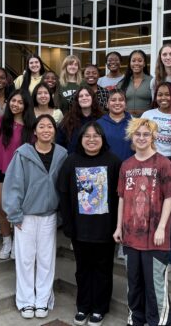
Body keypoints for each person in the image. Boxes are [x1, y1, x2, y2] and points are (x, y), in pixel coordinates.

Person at [113, 118, 171, 326]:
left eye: (146, 134)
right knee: (134, 283)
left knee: (155, 285)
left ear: (153, 137)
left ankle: (157, 321)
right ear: (132, 137)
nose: (141, 138)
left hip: (155, 239)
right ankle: (136, 318)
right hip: (131, 236)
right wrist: (118, 227)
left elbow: (170, 197)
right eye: (138, 134)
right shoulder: (126, 165)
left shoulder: (163, 163)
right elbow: (122, 198)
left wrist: (161, 228)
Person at [3, 115, 68, 320]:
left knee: (46, 260)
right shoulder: (23, 154)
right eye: (42, 126)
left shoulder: (62, 154)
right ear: (35, 131)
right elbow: (13, 185)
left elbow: (64, 186)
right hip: (26, 216)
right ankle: (25, 301)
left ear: (54, 131)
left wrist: (61, 214)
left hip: (49, 215)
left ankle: (42, 300)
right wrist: (14, 214)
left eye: (50, 126)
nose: (46, 130)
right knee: (25, 260)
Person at [58, 122, 122, 326]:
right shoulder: (71, 162)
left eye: (96, 136)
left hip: (105, 229)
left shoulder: (113, 161)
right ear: (80, 139)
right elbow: (64, 194)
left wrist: (118, 226)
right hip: (80, 229)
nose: (92, 139)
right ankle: (83, 306)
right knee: (82, 269)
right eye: (87, 136)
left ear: (102, 139)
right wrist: (68, 224)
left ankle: (99, 308)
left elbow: (120, 197)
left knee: (103, 270)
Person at [141, 82, 171, 268]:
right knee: (147, 212)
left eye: (167, 95)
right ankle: (148, 251)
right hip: (150, 165)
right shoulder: (148, 115)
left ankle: (169, 258)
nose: (163, 98)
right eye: (160, 95)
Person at [0, 92, 35, 260]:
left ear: (26, 106)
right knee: (2, 209)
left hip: (21, 173)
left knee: (19, 210)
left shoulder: (31, 127)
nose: (15, 104)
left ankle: (18, 243)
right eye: (13, 101)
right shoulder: (0, 123)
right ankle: (6, 242)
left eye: (20, 102)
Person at [58, 87, 103, 153]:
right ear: (77, 100)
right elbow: (60, 144)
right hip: (73, 160)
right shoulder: (68, 120)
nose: (84, 98)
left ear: (93, 98)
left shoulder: (101, 119)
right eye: (81, 96)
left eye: (87, 95)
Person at [97, 90, 134, 161]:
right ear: (107, 104)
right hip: (107, 167)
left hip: (130, 167)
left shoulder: (135, 123)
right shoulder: (98, 124)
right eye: (113, 100)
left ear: (126, 104)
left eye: (121, 100)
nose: (117, 103)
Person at [120, 49, 153, 117]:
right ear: (130, 63)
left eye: (140, 61)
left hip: (146, 120)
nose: (136, 63)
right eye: (133, 61)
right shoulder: (122, 83)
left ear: (144, 64)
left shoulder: (152, 81)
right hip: (127, 121)